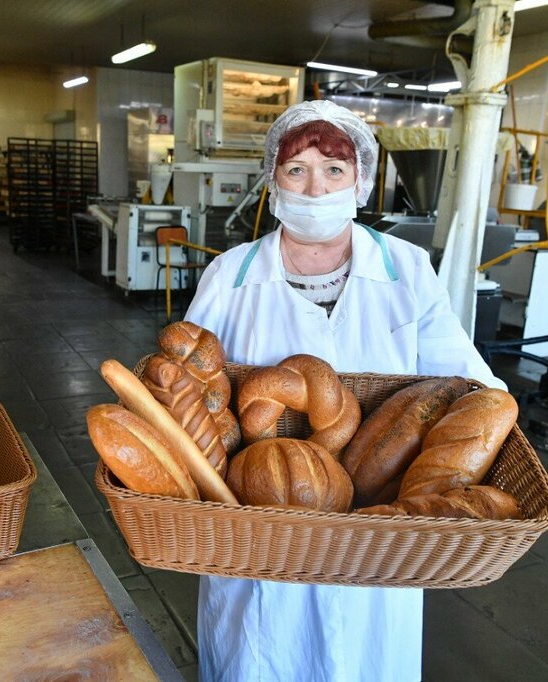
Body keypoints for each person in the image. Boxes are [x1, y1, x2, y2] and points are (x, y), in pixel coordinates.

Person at [184, 99, 507, 682]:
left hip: (376, 527)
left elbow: (467, 379)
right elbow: (195, 388)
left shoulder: (406, 266)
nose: (315, 187)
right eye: (297, 169)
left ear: (361, 179)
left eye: (334, 170)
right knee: (260, 655)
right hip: (259, 523)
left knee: (365, 655)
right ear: (273, 180)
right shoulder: (229, 273)